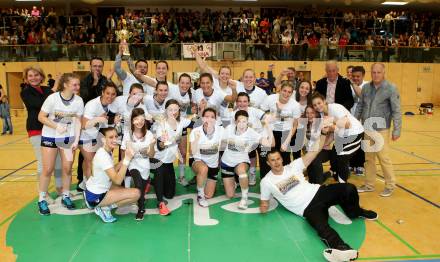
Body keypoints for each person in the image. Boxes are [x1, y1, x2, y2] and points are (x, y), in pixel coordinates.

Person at [260, 134, 378, 262]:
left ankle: (355, 212)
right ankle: (342, 249)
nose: (276, 162)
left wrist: (322, 135)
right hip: (307, 208)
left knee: (349, 188)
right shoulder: (267, 182)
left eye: (278, 158)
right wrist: (263, 208)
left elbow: (313, 153)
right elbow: (264, 203)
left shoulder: (293, 166)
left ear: (282, 159)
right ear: (268, 163)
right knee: (322, 227)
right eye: (272, 160)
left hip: (318, 192)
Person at [37, 73, 84, 215]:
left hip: (67, 138)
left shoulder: (79, 101)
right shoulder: (52, 98)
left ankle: (66, 195)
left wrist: (76, 140)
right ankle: (41, 199)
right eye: (74, 84)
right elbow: (41, 117)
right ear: (65, 85)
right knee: (48, 169)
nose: (77, 87)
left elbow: (78, 121)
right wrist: (56, 127)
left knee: (67, 168)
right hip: (50, 136)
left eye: (78, 84)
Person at [355, 63, 401, 197]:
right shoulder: (366, 88)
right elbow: (360, 105)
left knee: (384, 158)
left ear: (383, 73)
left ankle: (390, 185)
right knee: (369, 158)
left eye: (378, 72)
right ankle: (369, 184)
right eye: (373, 72)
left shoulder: (391, 88)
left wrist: (397, 130)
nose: (376, 75)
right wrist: (354, 121)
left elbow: (396, 110)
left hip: (382, 129)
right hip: (367, 127)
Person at [20, 66, 63, 203]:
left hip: (52, 130)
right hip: (36, 130)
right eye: (31, 76)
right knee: (44, 163)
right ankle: (43, 193)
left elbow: (56, 104)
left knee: (58, 162)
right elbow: (40, 104)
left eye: (36, 75)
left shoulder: (46, 90)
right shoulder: (25, 92)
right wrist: (55, 87)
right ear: (26, 78)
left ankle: (60, 188)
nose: (34, 78)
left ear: (42, 76)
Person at [84, 127, 140, 223]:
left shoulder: (105, 151)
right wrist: (127, 160)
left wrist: (124, 159)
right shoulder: (103, 156)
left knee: (122, 190)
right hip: (96, 196)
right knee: (136, 194)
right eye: (111, 137)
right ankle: (104, 208)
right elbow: (117, 180)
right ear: (103, 139)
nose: (115, 140)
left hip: (93, 190)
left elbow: (111, 170)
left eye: (116, 136)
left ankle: (100, 204)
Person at [220, 110, 274, 210]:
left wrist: (268, 126)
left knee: (242, 173)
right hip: (226, 163)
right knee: (230, 195)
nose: (242, 124)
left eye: (244, 121)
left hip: (241, 162)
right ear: (235, 122)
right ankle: (234, 182)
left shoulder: (251, 132)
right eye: (239, 121)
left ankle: (244, 199)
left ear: (247, 121)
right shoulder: (229, 129)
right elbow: (221, 143)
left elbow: (270, 144)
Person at [311, 93, 364, 183]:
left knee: (341, 157)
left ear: (324, 101)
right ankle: (336, 173)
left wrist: (332, 120)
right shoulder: (323, 115)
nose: (317, 106)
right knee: (334, 155)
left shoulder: (335, 108)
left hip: (354, 133)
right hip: (341, 137)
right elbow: (332, 133)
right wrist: (322, 145)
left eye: (319, 103)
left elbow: (347, 124)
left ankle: (343, 184)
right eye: (315, 105)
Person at [152, 99, 192, 215]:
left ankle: (153, 181)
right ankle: (160, 202)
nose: (173, 112)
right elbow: (160, 147)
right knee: (159, 172)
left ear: (179, 110)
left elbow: (196, 122)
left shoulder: (182, 122)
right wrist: (165, 142)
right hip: (157, 160)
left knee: (170, 194)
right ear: (166, 110)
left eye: (175, 109)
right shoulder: (162, 124)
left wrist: (200, 110)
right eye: (170, 110)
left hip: (168, 162)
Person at [78, 57, 108, 192]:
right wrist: (95, 83)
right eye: (95, 66)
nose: (97, 68)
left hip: (99, 127)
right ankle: (83, 181)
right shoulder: (85, 81)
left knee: (94, 156)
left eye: (100, 66)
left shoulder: (105, 80)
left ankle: (92, 179)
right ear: (90, 66)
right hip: (87, 123)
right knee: (86, 157)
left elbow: (109, 98)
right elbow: (85, 98)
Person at [79, 82, 118, 186]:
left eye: (113, 94)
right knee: (89, 161)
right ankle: (89, 186)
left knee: (91, 161)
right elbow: (84, 125)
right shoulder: (92, 104)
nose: (110, 96)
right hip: (85, 136)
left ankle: (84, 182)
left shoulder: (110, 105)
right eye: (107, 93)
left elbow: (104, 123)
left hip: (96, 136)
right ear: (102, 92)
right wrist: (99, 119)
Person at [121, 108, 156, 220]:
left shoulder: (149, 134)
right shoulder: (127, 134)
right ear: (132, 121)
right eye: (136, 119)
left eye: (142, 119)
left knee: (142, 188)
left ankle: (140, 200)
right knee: (138, 185)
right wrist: (124, 166)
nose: (139, 122)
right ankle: (141, 208)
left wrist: (151, 144)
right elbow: (123, 151)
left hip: (145, 164)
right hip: (133, 164)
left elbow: (151, 155)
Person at [261, 83, 302, 170]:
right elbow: (261, 112)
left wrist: (287, 141)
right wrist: (270, 118)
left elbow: (295, 125)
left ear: (292, 94)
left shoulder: (295, 105)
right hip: (270, 131)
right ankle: (268, 178)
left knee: (285, 158)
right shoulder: (270, 99)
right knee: (268, 157)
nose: (286, 94)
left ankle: (287, 180)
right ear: (280, 90)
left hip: (286, 132)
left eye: (289, 92)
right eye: (284, 91)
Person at [189, 108, 224, 207]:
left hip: (213, 164)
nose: (209, 119)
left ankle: (202, 179)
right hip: (197, 160)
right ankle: (200, 196)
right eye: (206, 117)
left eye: (212, 117)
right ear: (202, 118)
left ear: (215, 120)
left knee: (209, 194)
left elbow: (226, 147)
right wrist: (196, 139)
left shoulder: (221, 130)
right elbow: (192, 152)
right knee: (203, 169)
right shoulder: (196, 131)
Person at [167, 74, 193, 186]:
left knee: (182, 152)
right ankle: (163, 175)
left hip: (181, 124)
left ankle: (181, 176)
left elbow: (188, 112)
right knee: (166, 151)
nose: (185, 85)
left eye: (187, 83)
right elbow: (154, 82)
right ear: (178, 82)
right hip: (168, 125)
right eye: (183, 82)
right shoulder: (172, 88)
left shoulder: (190, 94)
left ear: (190, 84)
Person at [349, 66, 369, 176]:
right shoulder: (349, 85)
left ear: (363, 76)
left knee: (361, 143)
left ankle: (360, 165)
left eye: (358, 76)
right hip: (351, 118)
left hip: (362, 119)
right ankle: (351, 164)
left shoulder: (367, 85)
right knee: (351, 142)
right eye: (354, 76)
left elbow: (362, 96)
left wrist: (353, 83)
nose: (356, 78)